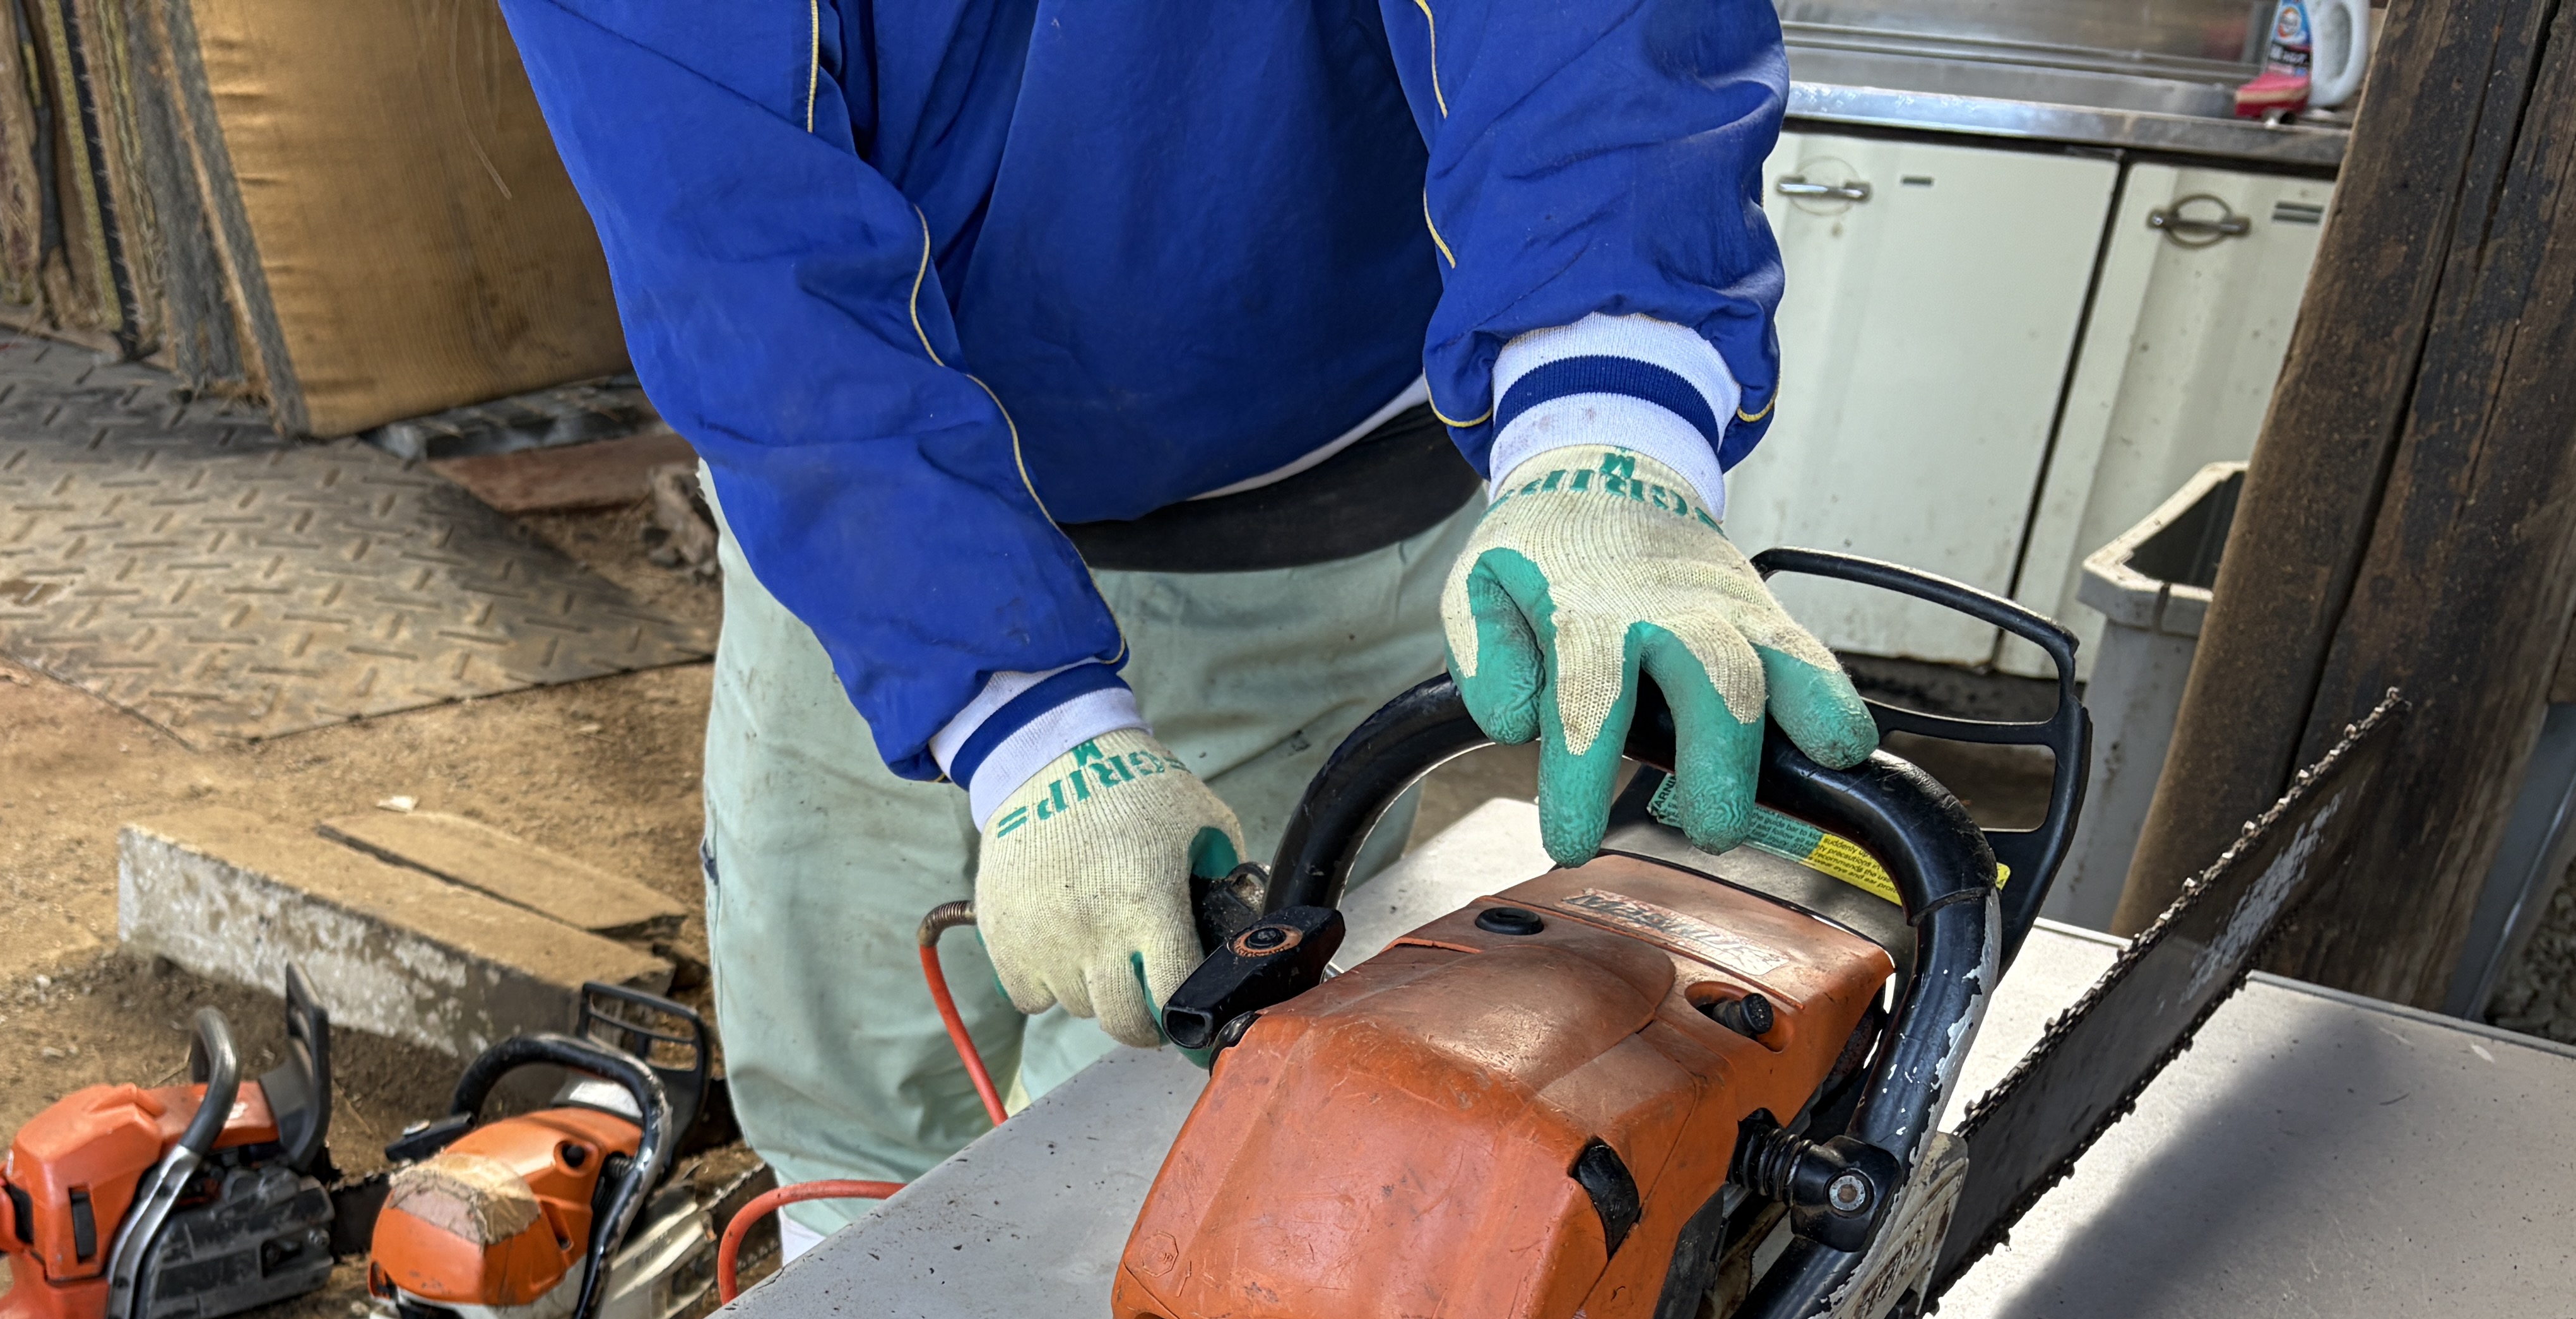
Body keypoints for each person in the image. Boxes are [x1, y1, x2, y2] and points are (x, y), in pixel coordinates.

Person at [500, 3, 1877, 1245]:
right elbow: (736, 245)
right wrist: (1015, 718)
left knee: (1156, 1183)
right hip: (850, 544)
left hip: (1304, 506)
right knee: (846, 1124)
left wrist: (1611, 414)